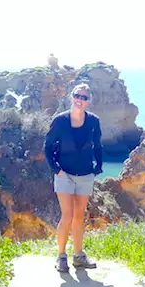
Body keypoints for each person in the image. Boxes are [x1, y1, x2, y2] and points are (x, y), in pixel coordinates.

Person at [44, 83, 103, 272]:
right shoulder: (60, 120)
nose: (80, 100)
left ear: (88, 101)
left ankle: (78, 256)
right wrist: (56, 169)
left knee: (79, 216)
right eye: (78, 96)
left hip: (85, 174)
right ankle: (61, 256)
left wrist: (98, 167)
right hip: (65, 174)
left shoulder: (93, 121)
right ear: (72, 97)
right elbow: (48, 145)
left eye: (84, 97)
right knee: (67, 215)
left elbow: (98, 145)